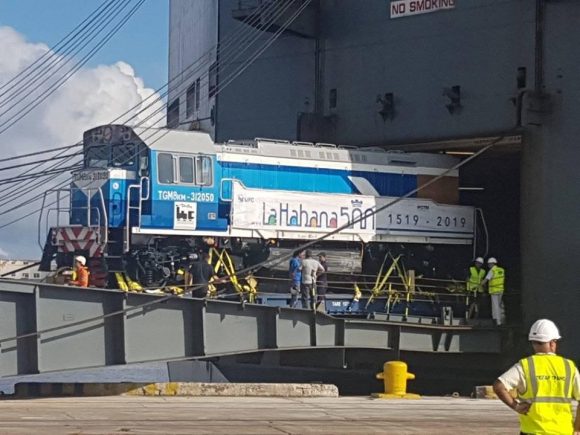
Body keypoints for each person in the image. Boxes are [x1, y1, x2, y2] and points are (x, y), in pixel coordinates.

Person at [493, 319, 580, 434]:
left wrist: (516, 406)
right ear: (552, 343)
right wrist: (577, 428)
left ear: (533, 343)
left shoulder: (525, 365)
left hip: (532, 431)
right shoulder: (569, 367)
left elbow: (499, 386)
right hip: (562, 431)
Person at [481, 257, 505, 326]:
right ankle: (501, 320)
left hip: (494, 291)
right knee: (500, 306)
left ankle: (497, 322)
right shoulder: (501, 270)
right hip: (500, 290)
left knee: (495, 306)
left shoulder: (492, 271)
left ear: (492, 264)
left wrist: (480, 284)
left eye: (489, 264)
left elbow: (486, 280)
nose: (488, 266)